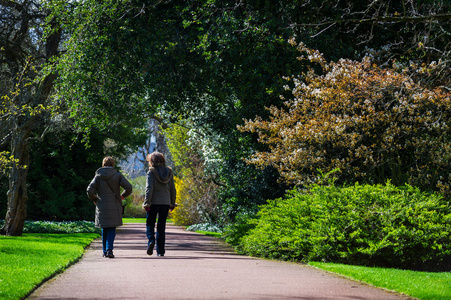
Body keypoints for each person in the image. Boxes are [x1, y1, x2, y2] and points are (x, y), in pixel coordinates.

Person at [87, 156, 132, 258]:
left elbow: (89, 190)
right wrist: (122, 196)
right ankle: (109, 250)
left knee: (104, 228)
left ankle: (104, 251)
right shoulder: (117, 175)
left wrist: (95, 199)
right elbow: (129, 187)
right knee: (111, 228)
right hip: (114, 204)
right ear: (113, 164)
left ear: (103, 164)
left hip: (102, 204)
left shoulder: (98, 176)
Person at [142, 152, 176, 257]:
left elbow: (149, 188)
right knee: (161, 227)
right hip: (165, 203)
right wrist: (172, 203)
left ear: (151, 161)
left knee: (150, 224)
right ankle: (160, 251)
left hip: (153, 203)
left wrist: (147, 202)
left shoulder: (151, 172)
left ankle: (151, 241)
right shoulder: (169, 172)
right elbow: (172, 189)